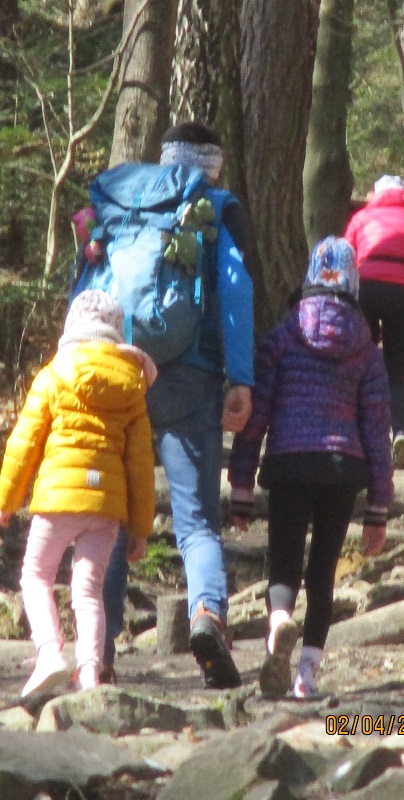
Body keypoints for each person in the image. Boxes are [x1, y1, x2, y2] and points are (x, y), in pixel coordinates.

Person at [101, 121, 254, 690]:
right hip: (191, 376)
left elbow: (89, 276)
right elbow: (236, 287)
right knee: (196, 523)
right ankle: (207, 615)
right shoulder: (217, 207)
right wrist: (241, 376)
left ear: (165, 158)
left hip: (119, 369)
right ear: (213, 165)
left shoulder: (128, 206)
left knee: (114, 518)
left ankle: (98, 651)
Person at [228, 236, 393, 698]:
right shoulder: (366, 350)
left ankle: (280, 620)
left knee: (283, 563)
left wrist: (241, 484)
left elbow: (256, 416)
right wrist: (378, 508)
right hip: (342, 471)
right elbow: (377, 431)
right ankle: (306, 675)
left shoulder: (284, 337)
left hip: (289, 465)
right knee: (322, 573)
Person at [0, 290, 155, 696]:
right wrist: (140, 528)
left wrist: (6, 500)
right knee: (89, 591)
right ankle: (90, 674)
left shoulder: (54, 373)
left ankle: (50, 651)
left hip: (58, 499)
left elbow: (24, 442)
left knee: (36, 575)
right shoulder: (132, 385)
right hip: (106, 507)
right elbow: (141, 465)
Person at [344, 174, 404, 470]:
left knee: (359, 365)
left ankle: (357, 439)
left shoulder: (361, 218)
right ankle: (399, 433)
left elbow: (345, 258)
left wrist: (349, 301)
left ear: (375, 194)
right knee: (397, 376)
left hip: (365, 287)